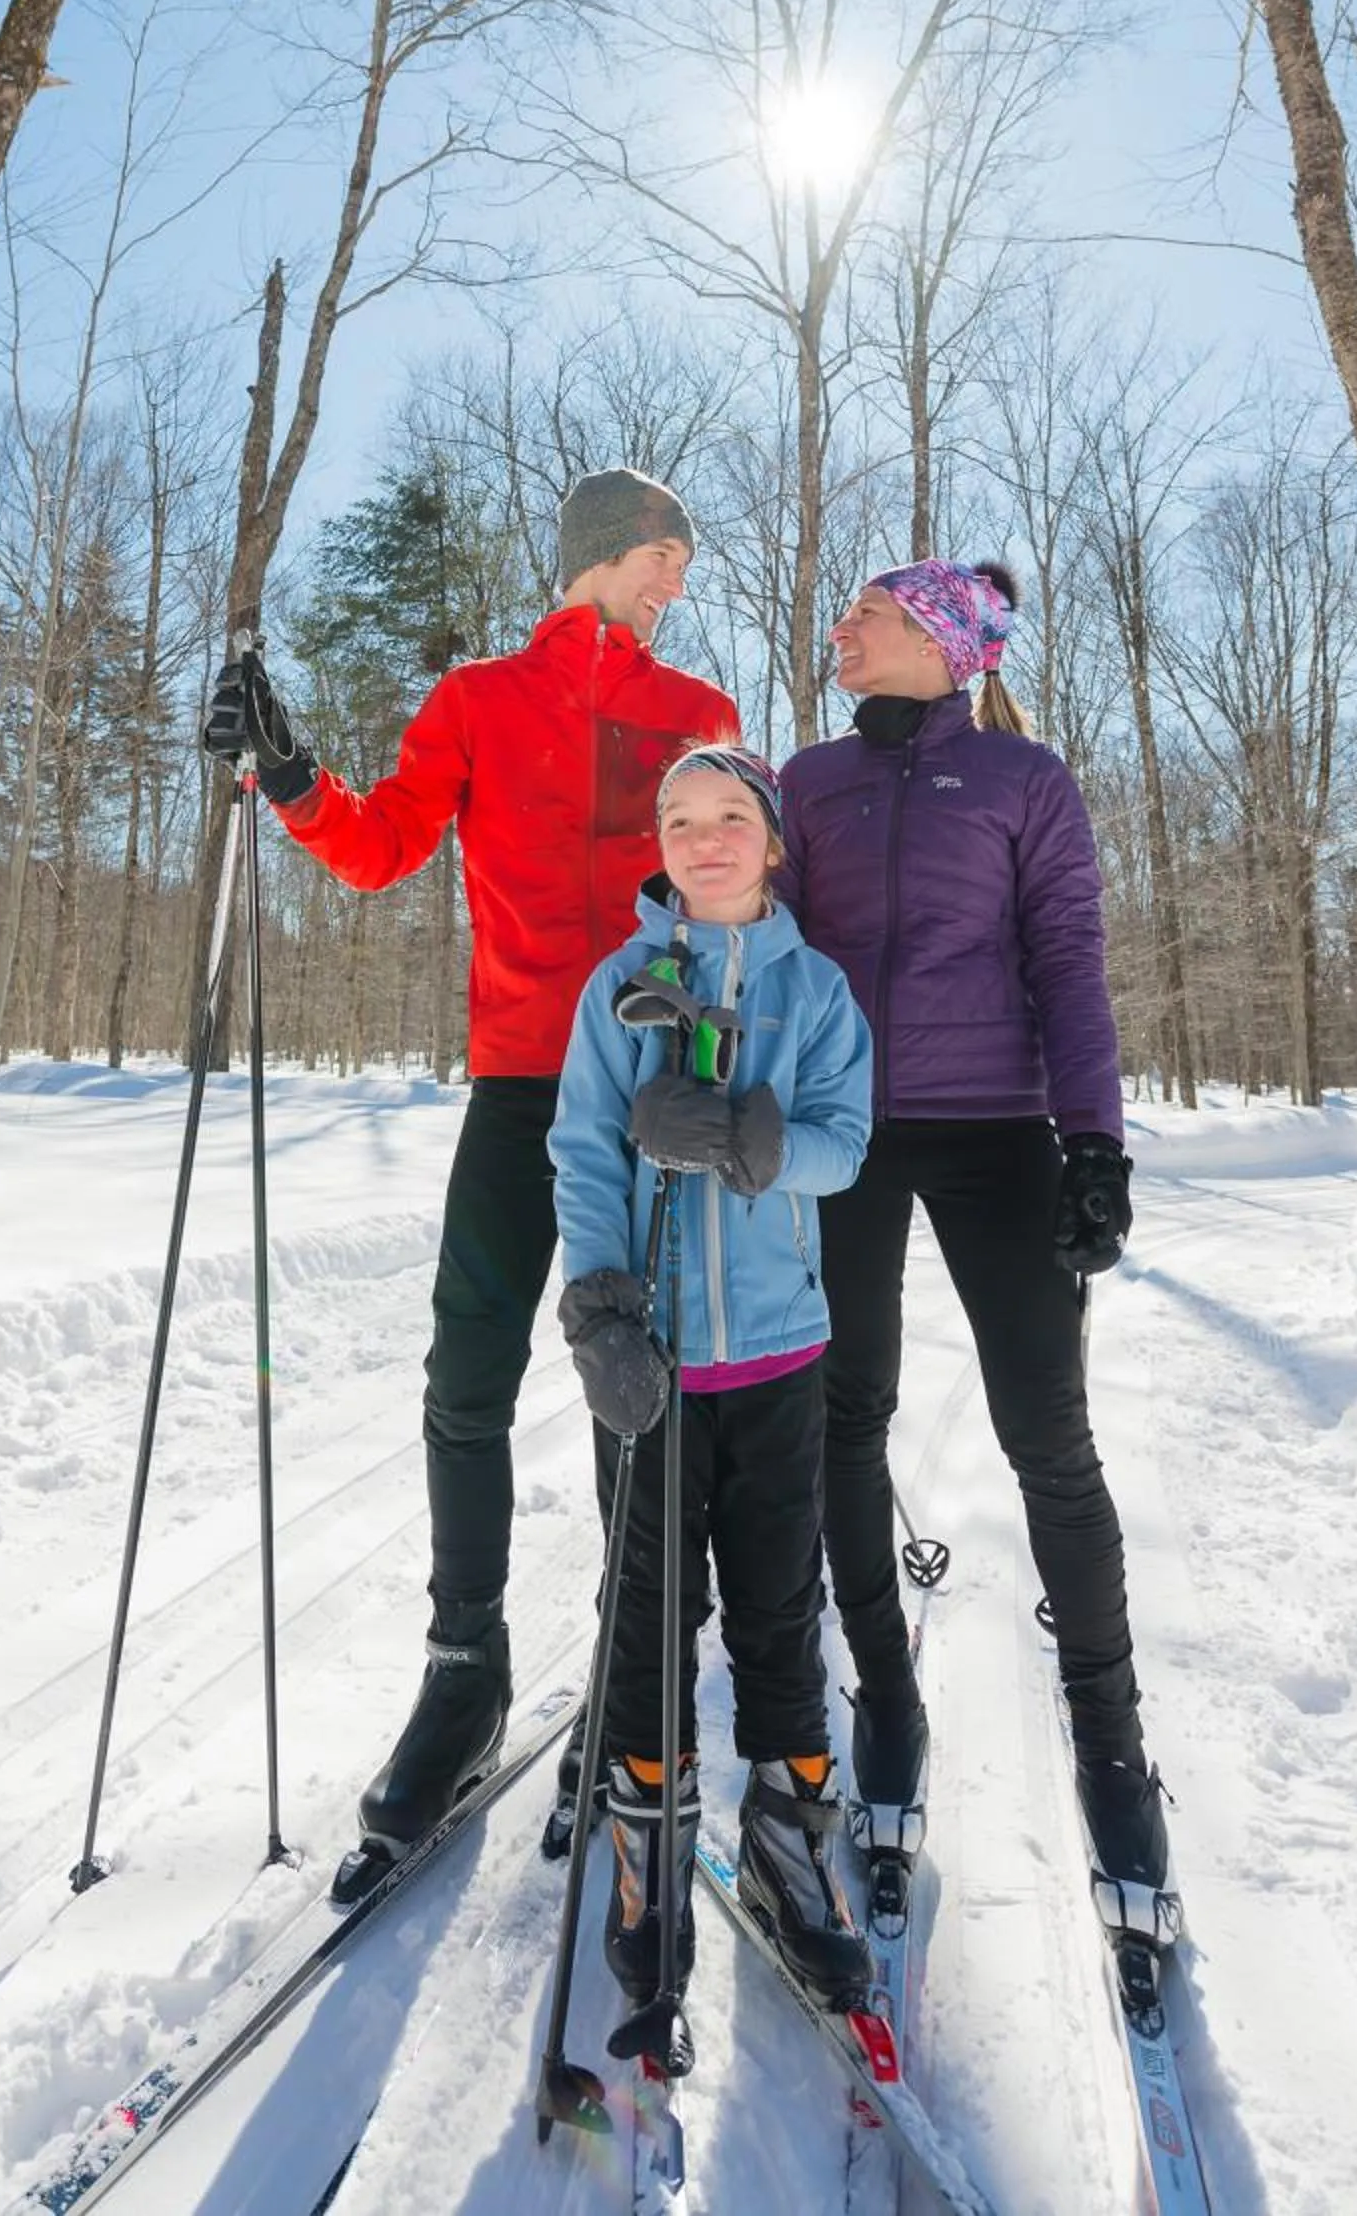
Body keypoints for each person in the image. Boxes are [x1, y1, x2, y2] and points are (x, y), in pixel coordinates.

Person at [204, 470, 738, 1869]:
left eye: (680, 563)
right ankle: (464, 1667)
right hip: (519, 1086)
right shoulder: (476, 705)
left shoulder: (699, 715)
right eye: (661, 556)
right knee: (464, 1379)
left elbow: (740, 891)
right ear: (600, 556)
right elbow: (380, 850)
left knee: (646, 1378)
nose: (674, 582)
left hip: (654, 1089)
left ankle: (644, 1663)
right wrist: (290, 774)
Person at [778, 557, 1170, 1899]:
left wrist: (1094, 1143)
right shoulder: (806, 781)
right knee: (842, 1416)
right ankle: (884, 1696)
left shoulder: (1024, 781)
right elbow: (760, 939)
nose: (841, 628)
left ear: (942, 642)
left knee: (1047, 1439)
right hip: (840, 1135)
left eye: (868, 614)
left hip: (996, 1129)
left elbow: (1066, 957)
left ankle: (1111, 1747)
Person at [549, 745, 875, 2013]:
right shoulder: (621, 985)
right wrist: (598, 1310)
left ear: (772, 840)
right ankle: (650, 1825)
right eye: (677, 820)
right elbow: (580, 1153)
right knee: (647, 1600)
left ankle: (795, 1830)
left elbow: (844, 1151)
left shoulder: (819, 990)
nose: (702, 838)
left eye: (728, 816)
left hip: (782, 1351)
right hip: (651, 1362)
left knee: (779, 1603)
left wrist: (752, 1142)